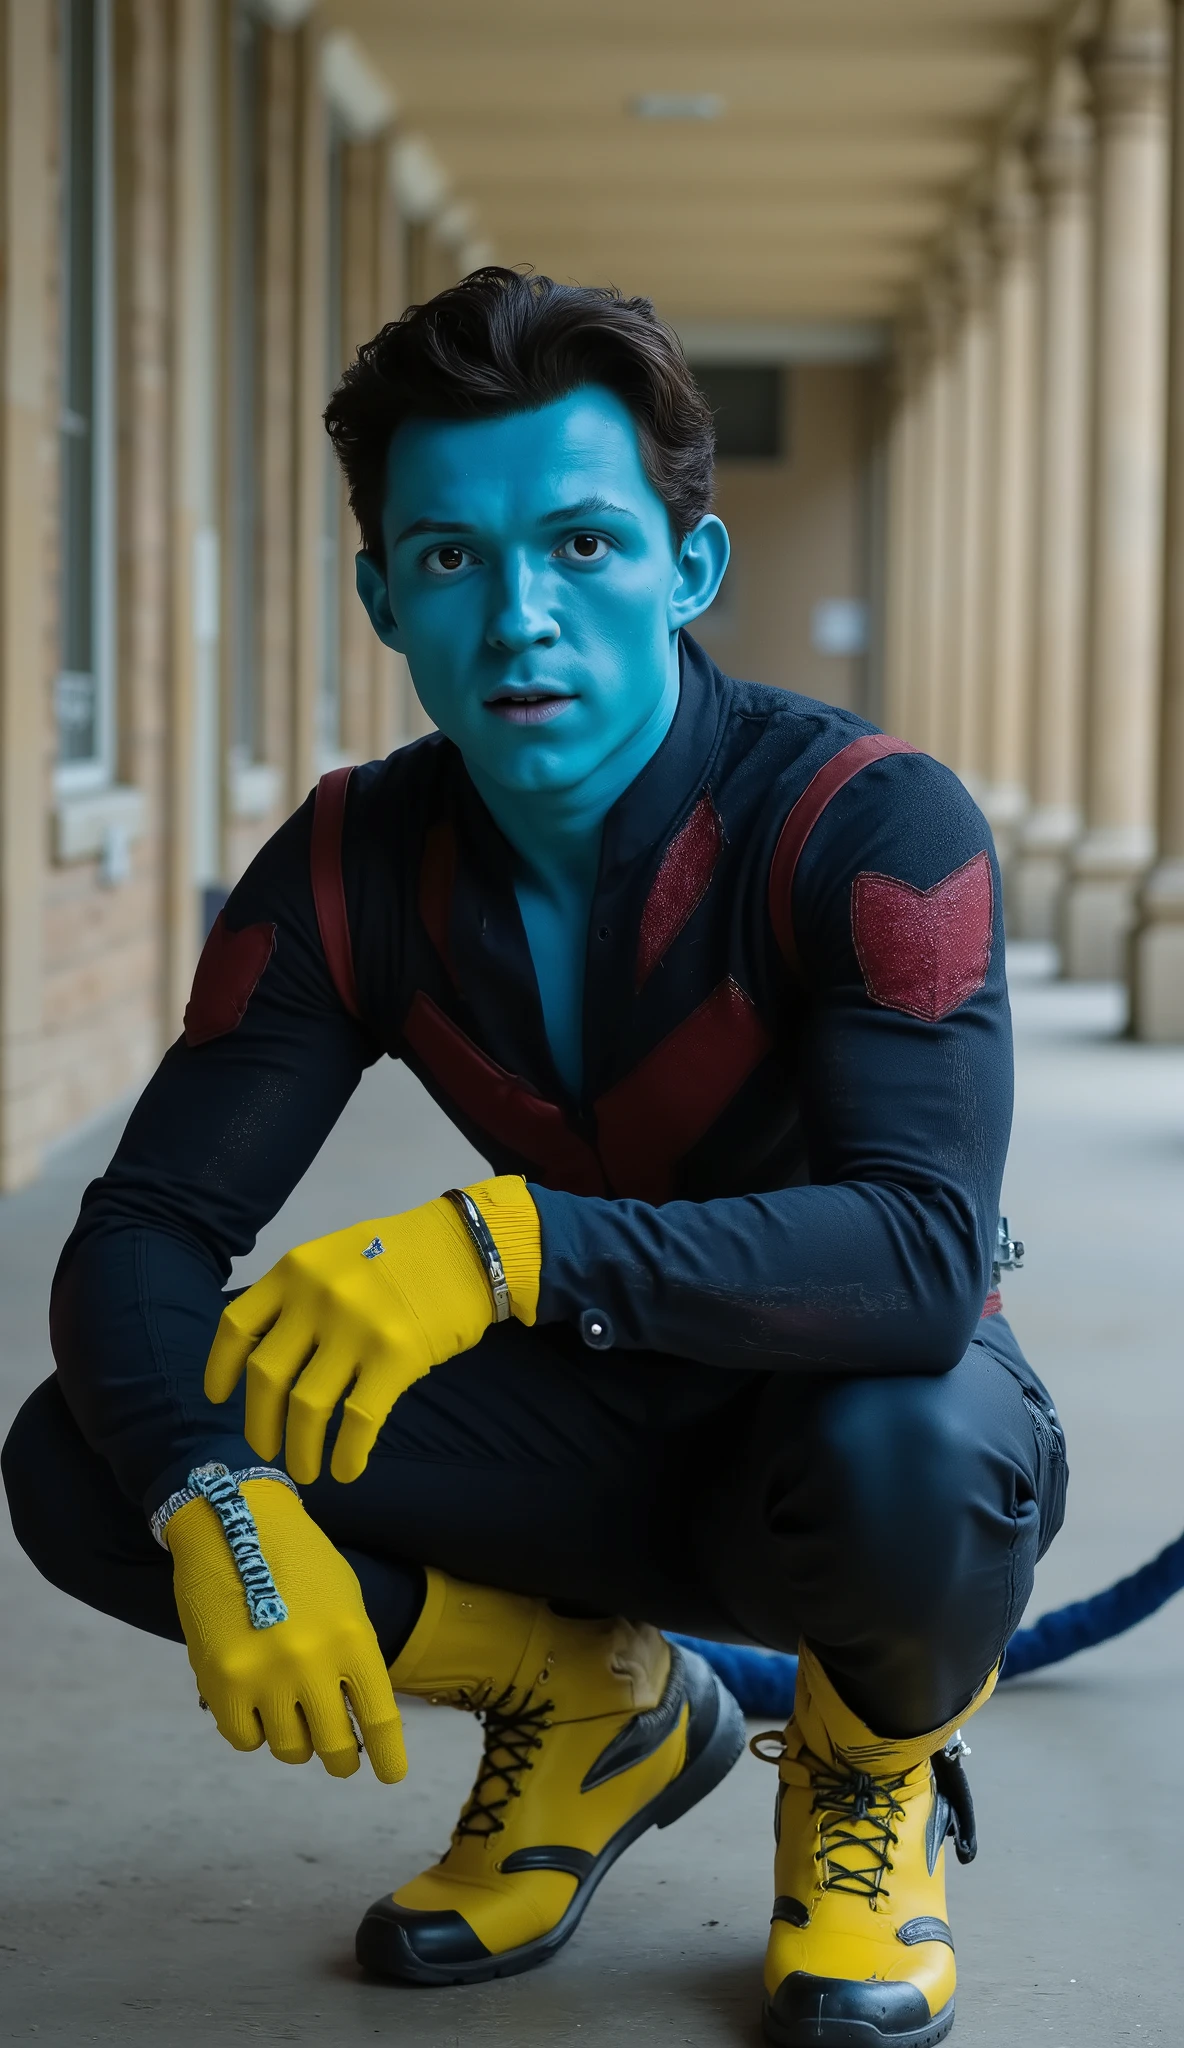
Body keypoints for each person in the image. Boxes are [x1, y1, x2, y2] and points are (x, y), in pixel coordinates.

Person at [3, 269, 1066, 2048]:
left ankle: (865, 1773)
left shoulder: (867, 820)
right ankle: (588, 1708)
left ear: (688, 569)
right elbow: (145, 1231)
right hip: (577, 1429)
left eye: (582, 546)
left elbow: (918, 1256)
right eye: (450, 558)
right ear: (381, 598)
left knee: (916, 1454)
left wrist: (502, 1248)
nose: (519, 619)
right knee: (86, 1456)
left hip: (842, 1427)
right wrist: (218, 1501)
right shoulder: (350, 860)